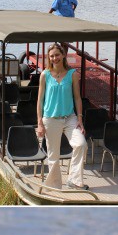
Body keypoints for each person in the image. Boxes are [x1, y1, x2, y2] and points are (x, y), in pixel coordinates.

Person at [36, 43, 88, 190]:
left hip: (70, 118)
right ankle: (54, 186)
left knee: (80, 144)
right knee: (53, 156)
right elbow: (40, 101)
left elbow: (77, 98)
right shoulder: (44, 75)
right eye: (51, 56)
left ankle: (74, 180)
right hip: (50, 119)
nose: (54, 58)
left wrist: (80, 118)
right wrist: (39, 123)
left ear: (63, 55)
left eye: (57, 55)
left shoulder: (72, 74)